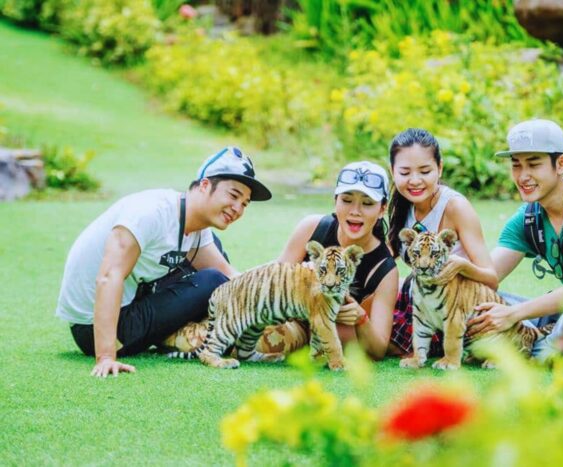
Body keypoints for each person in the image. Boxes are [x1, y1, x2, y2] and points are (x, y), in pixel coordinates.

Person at [55, 146, 272, 377]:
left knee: (215, 261)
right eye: (233, 195)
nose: (238, 209)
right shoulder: (151, 213)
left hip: (130, 301)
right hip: (95, 329)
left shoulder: (194, 224)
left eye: (245, 203)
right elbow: (109, 277)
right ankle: (196, 336)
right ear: (205, 185)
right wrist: (106, 357)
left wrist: (277, 299)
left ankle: (204, 330)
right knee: (211, 281)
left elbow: (230, 275)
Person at [441, 119, 563, 360]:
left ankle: (550, 346)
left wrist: (514, 314)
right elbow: (488, 276)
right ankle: (553, 346)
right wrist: (439, 277)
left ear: (561, 164)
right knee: (487, 305)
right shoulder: (528, 219)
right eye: (516, 166)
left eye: (533, 164)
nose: (523, 176)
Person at [256, 161, 399, 360]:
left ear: (382, 209)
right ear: (335, 201)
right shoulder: (313, 228)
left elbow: (378, 349)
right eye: (347, 200)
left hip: (324, 337)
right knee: (245, 331)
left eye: (367, 203)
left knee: (268, 343)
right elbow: (272, 282)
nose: (355, 211)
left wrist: (361, 318)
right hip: (291, 317)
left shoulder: (385, 268)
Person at [385, 128, 498, 357]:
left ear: (440, 168)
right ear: (392, 171)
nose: (415, 181)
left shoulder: (456, 207)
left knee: (379, 341)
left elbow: (492, 279)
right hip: (421, 299)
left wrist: (461, 266)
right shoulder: (403, 203)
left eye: (425, 171)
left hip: (455, 308)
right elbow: (386, 257)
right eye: (405, 172)